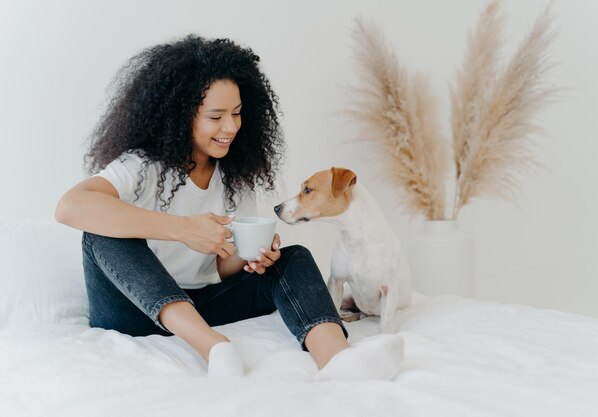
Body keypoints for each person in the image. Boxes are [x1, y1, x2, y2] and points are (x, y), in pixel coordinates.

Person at [55, 34, 403, 380]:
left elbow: (223, 268)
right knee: (102, 233)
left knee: (293, 258)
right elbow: (70, 206)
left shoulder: (235, 176)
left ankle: (338, 359)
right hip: (129, 312)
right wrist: (182, 229)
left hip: (202, 303)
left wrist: (253, 256)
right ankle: (214, 348)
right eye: (215, 116)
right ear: (180, 115)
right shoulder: (141, 166)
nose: (231, 127)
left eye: (237, 113)